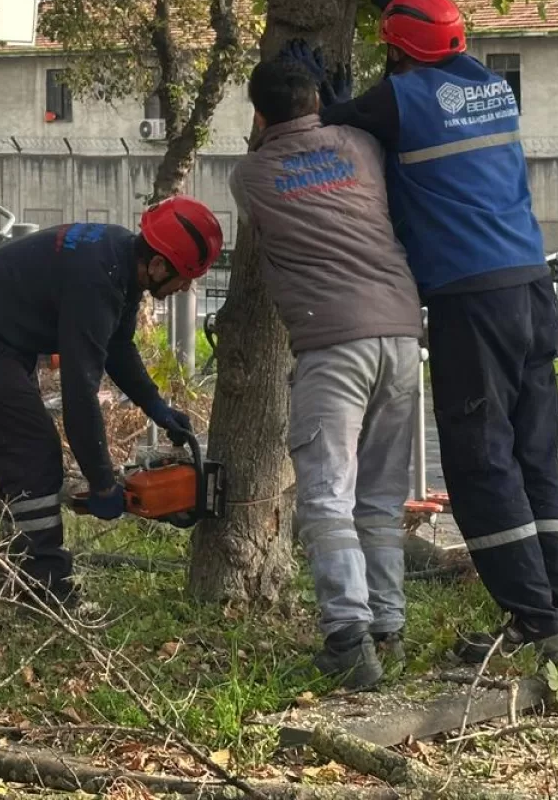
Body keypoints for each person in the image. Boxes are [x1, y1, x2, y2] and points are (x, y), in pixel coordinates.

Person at [318, 0, 558, 664]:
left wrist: (326, 94)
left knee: (479, 461)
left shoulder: (398, 101)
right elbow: (428, 32)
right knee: (535, 458)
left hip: (471, 301)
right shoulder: (490, 85)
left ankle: (531, 623)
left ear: (397, 55)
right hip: (532, 287)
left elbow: (330, 120)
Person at [230, 55, 424, 691]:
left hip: (331, 341)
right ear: (317, 97)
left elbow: (270, 212)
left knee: (326, 495)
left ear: (258, 114)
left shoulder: (252, 175)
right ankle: (389, 628)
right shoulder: (362, 145)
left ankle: (347, 637)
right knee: (381, 494)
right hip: (400, 332)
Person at [0, 198, 222, 604]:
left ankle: (17, 577)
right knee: (33, 452)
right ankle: (41, 587)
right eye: (184, 276)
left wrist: (156, 406)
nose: (185, 287)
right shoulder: (97, 281)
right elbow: (80, 393)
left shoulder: (119, 258)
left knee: (23, 459)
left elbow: (117, 346)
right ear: (159, 264)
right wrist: (101, 483)